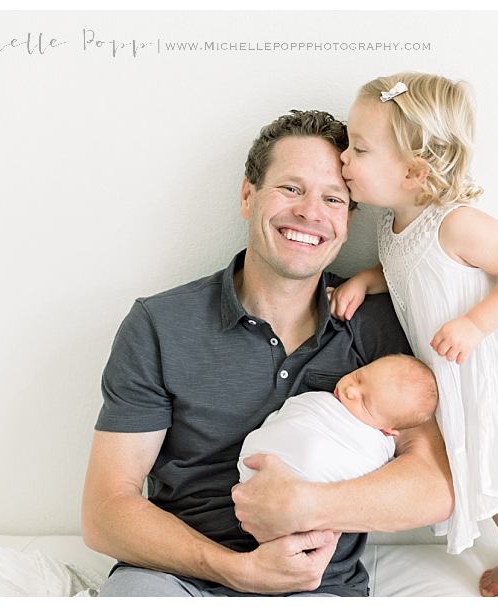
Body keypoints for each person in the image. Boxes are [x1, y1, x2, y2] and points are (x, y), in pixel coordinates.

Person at [81, 109, 453, 597]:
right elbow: (105, 510)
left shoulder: (375, 324)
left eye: (333, 198)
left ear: (346, 220)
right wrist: (237, 570)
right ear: (247, 196)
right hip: (174, 579)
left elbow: (436, 488)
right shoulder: (160, 325)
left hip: (317, 586)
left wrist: (308, 506)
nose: (310, 213)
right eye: (291, 188)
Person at [330, 73, 498, 597]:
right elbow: (407, 266)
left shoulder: (458, 223)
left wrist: (474, 324)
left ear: (414, 172)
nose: (343, 159)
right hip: (460, 369)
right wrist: (367, 279)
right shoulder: (393, 221)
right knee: (482, 472)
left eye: (358, 148)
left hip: (496, 367)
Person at [238, 353, 439, 485]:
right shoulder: (327, 403)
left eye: (365, 402)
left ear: (388, 430)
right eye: (359, 377)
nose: (350, 391)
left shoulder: (373, 448)